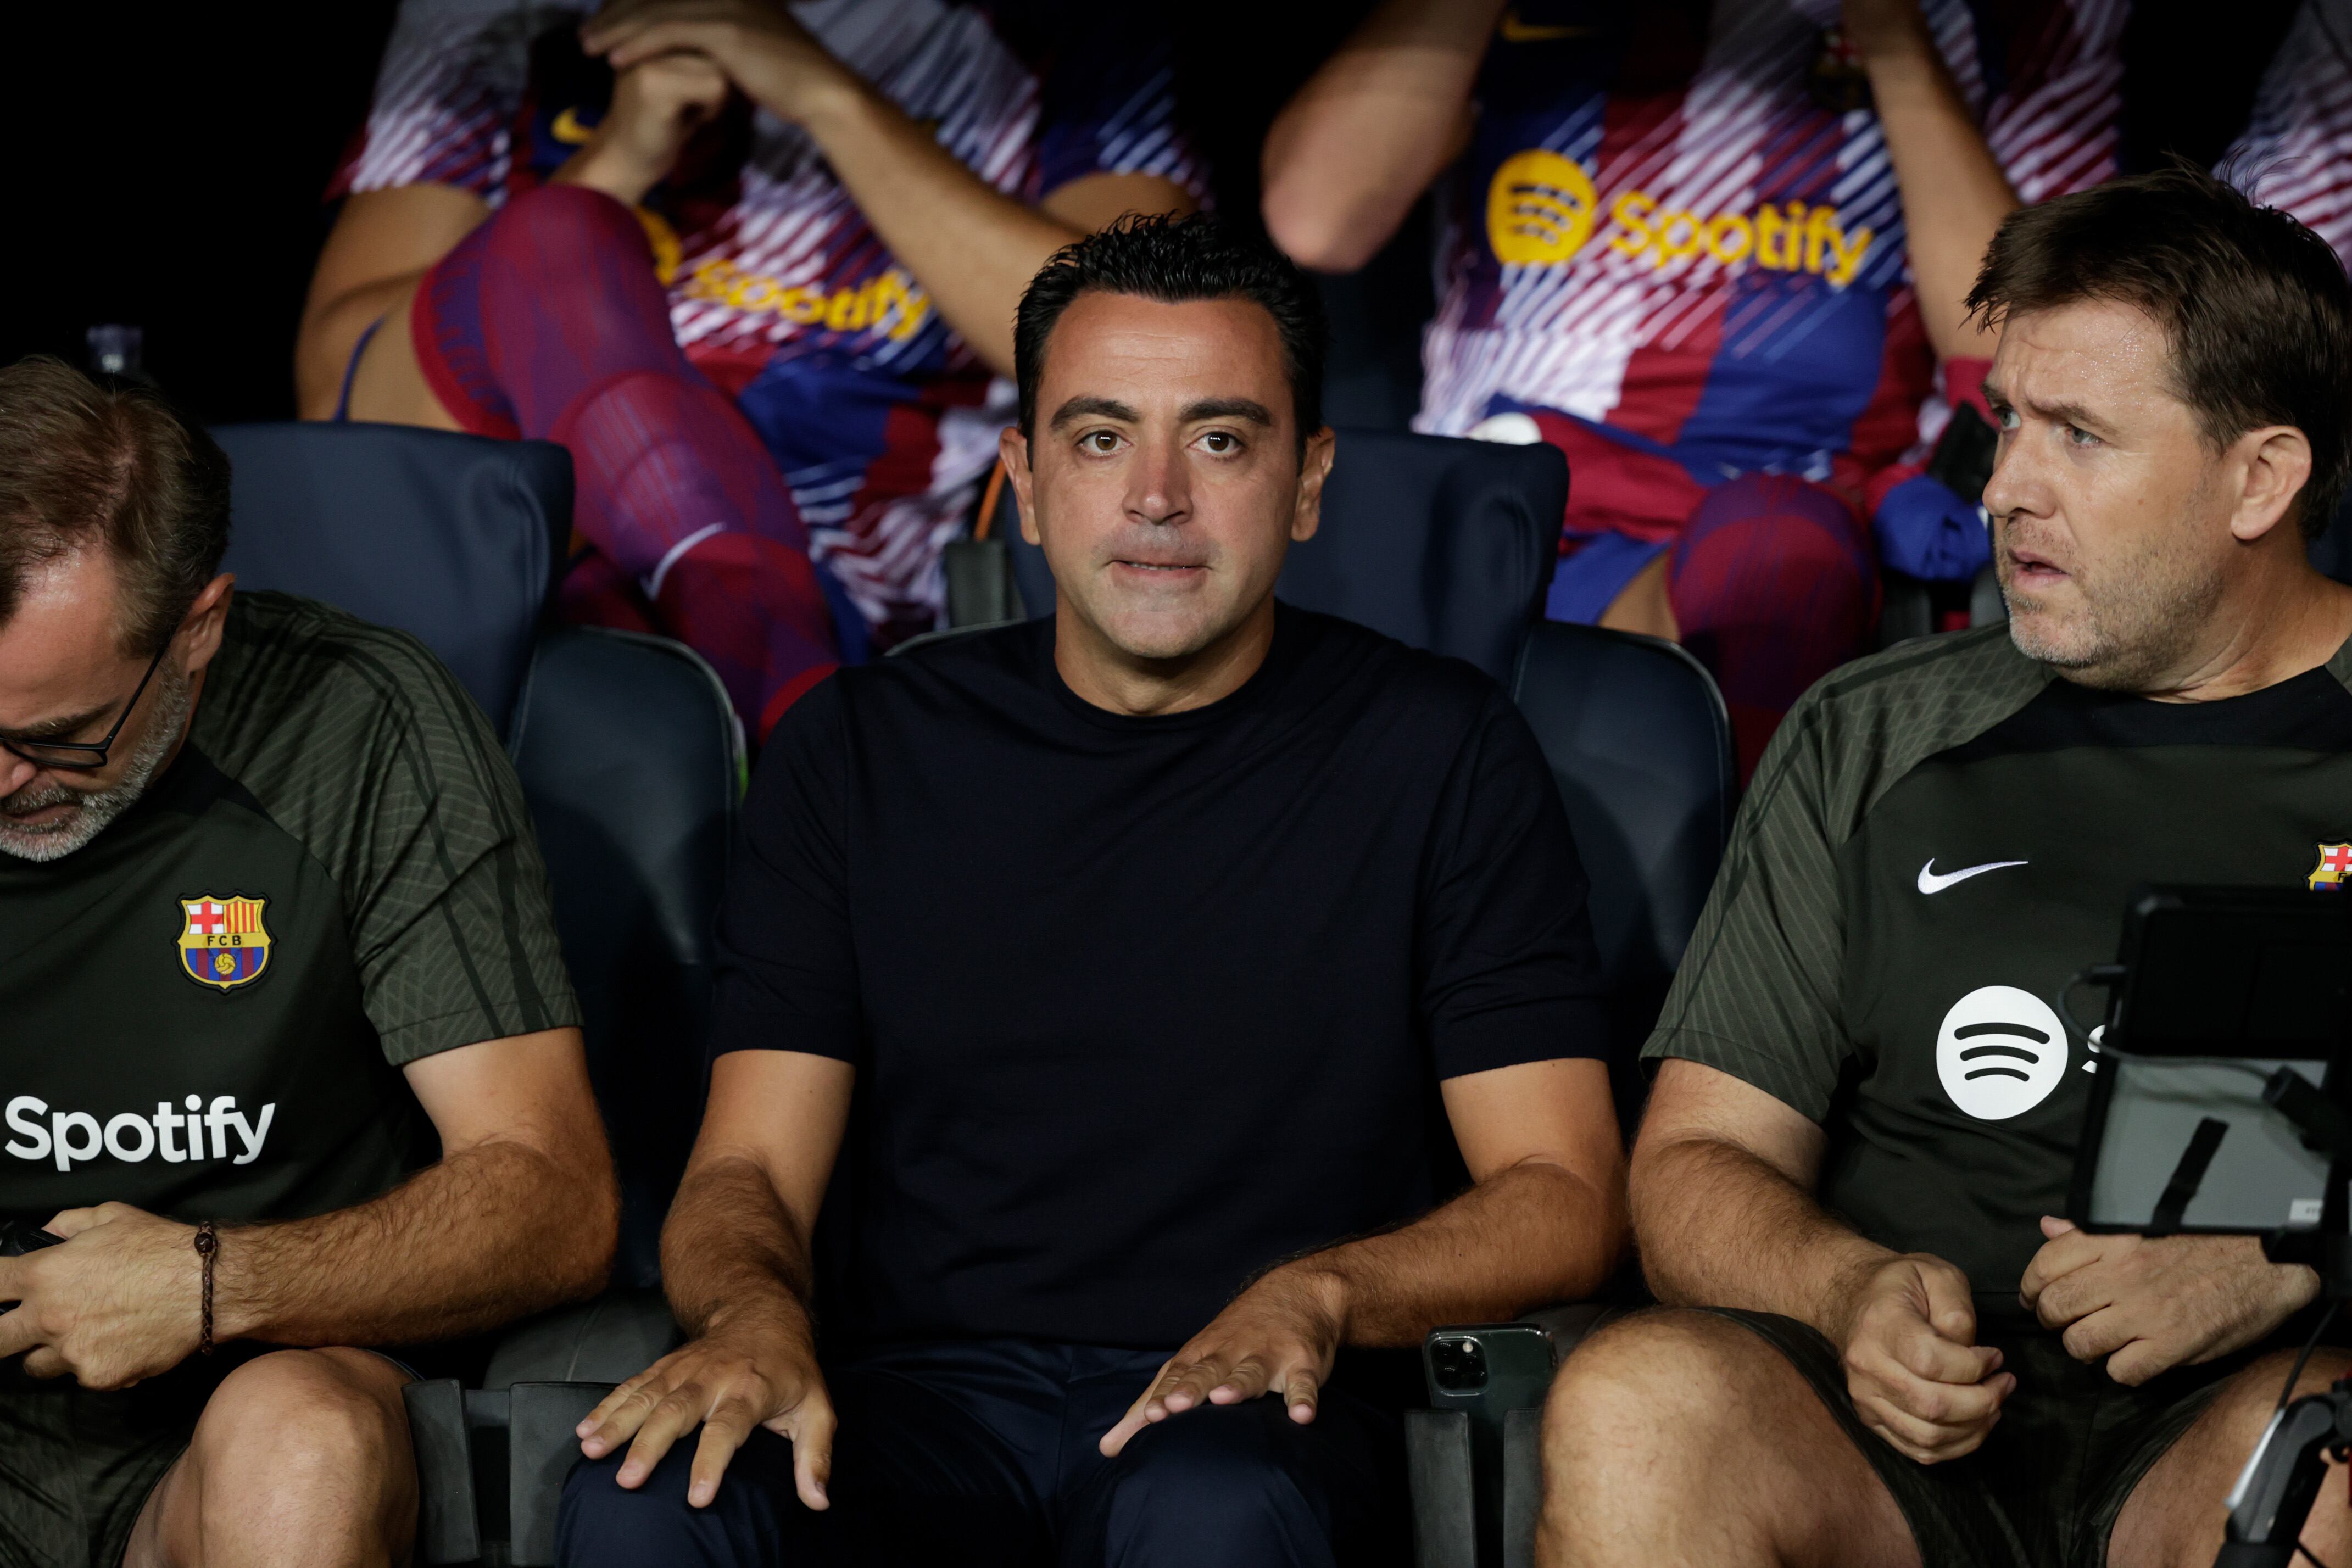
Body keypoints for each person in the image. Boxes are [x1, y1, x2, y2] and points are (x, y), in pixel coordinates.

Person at [551, 214, 1630, 1567]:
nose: (1157, 496)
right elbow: (749, 1168)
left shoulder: (1441, 749)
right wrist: (752, 1321)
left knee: (1211, 1509)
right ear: (1023, 478)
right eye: (1100, 436)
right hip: (912, 1401)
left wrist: (1322, 1293)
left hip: (1254, 1406)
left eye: (1222, 440)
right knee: (657, 1495)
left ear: (1306, 482)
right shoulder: (860, 748)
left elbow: (1561, 1188)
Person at [1534, 167, 2352, 1568]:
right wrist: (1845, 1288)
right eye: (2002, 424)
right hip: (1893, 1435)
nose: (2004, 488)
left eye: (2078, 436)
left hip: (2229, 1412)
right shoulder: (1873, 734)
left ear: (2258, 479)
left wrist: (2294, 1265)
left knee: (2329, 1459)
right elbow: (1694, 1162)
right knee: (1633, 1400)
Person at [0, 359, 618, 1568]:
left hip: (236, 1409)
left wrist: (207, 1282)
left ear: (198, 631)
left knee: (303, 1446)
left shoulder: (358, 729)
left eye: (58, 740)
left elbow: (554, 1194)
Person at [1261, 0, 2125, 777]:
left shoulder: (2029, 21)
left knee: (1772, 559)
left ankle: (1738, 940)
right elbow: (1317, 218)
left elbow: (2021, 342)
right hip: (1509, 486)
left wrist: (1893, 39)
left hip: (1782, 518)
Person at [299, 0, 1201, 738]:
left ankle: (780, 705)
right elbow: (338, 392)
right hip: (536, 545)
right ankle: (808, 750)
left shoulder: (1056, 32)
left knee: (614, 707)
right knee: (557, 234)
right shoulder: (492, 18)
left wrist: (829, 99)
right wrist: (619, 159)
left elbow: (1146, 352)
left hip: (849, 578)